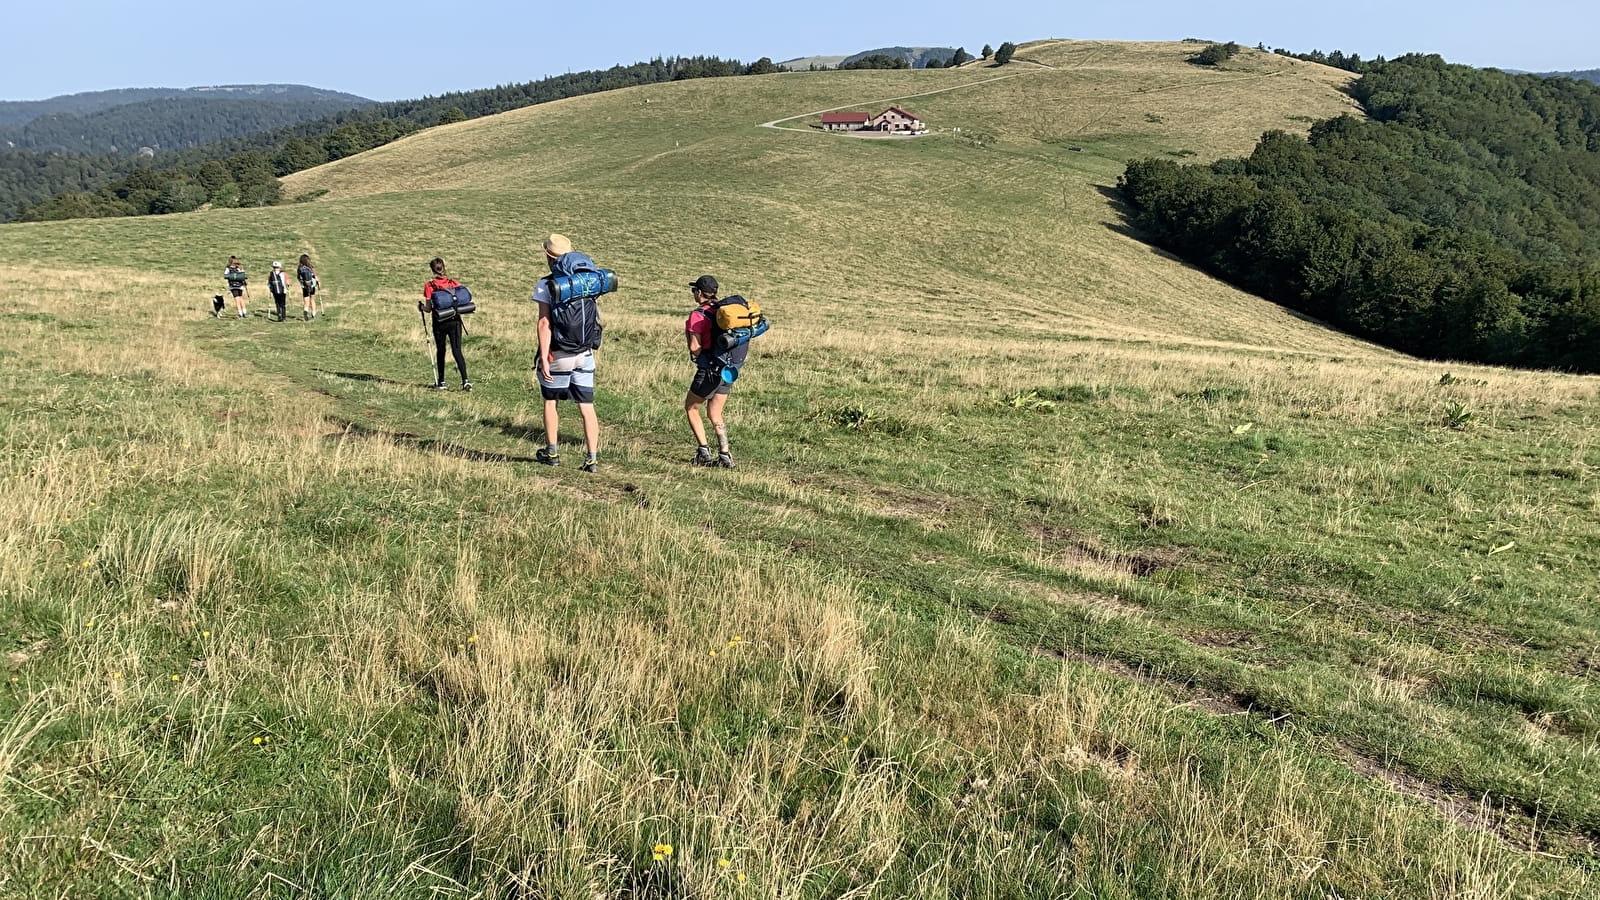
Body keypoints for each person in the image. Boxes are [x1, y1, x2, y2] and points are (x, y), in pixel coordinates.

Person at [532, 233, 601, 473]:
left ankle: (552, 452)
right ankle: (591, 458)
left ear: (549, 256)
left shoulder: (547, 284)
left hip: (558, 353)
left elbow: (544, 323)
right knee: (586, 406)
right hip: (585, 352)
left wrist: (543, 356)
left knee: (551, 401)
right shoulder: (588, 281)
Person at [683, 274, 746, 468]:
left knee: (692, 407)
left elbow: (695, 347)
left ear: (700, 293)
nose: (694, 293)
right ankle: (725, 454)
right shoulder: (724, 314)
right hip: (728, 370)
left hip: (709, 369)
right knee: (715, 413)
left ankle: (703, 452)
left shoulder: (698, 315)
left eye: (695, 290)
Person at [421, 257, 471, 391]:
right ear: (443, 267)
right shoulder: (453, 282)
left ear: (432, 270)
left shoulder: (429, 285)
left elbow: (429, 308)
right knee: (457, 350)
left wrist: (421, 308)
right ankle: (465, 380)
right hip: (455, 320)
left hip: (439, 322)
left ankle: (441, 382)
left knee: (441, 350)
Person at [297, 254, 321, 320]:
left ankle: (305, 312)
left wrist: (302, 283)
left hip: (304, 286)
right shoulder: (311, 268)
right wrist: (318, 282)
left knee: (306, 301)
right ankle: (313, 314)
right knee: (312, 300)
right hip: (312, 286)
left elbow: (298, 278)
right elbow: (316, 277)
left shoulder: (299, 268)